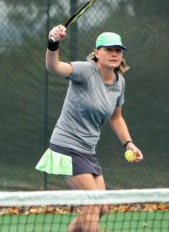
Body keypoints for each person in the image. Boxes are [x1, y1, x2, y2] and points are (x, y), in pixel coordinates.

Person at [36, 25, 143, 232]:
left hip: (87, 150)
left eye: (118, 50)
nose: (114, 54)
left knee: (101, 207)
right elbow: (54, 67)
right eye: (108, 49)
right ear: (97, 53)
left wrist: (128, 143)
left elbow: (116, 118)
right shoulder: (85, 71)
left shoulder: (119, 83)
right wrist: (53, 42)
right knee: (92, 205)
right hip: (66, 146)